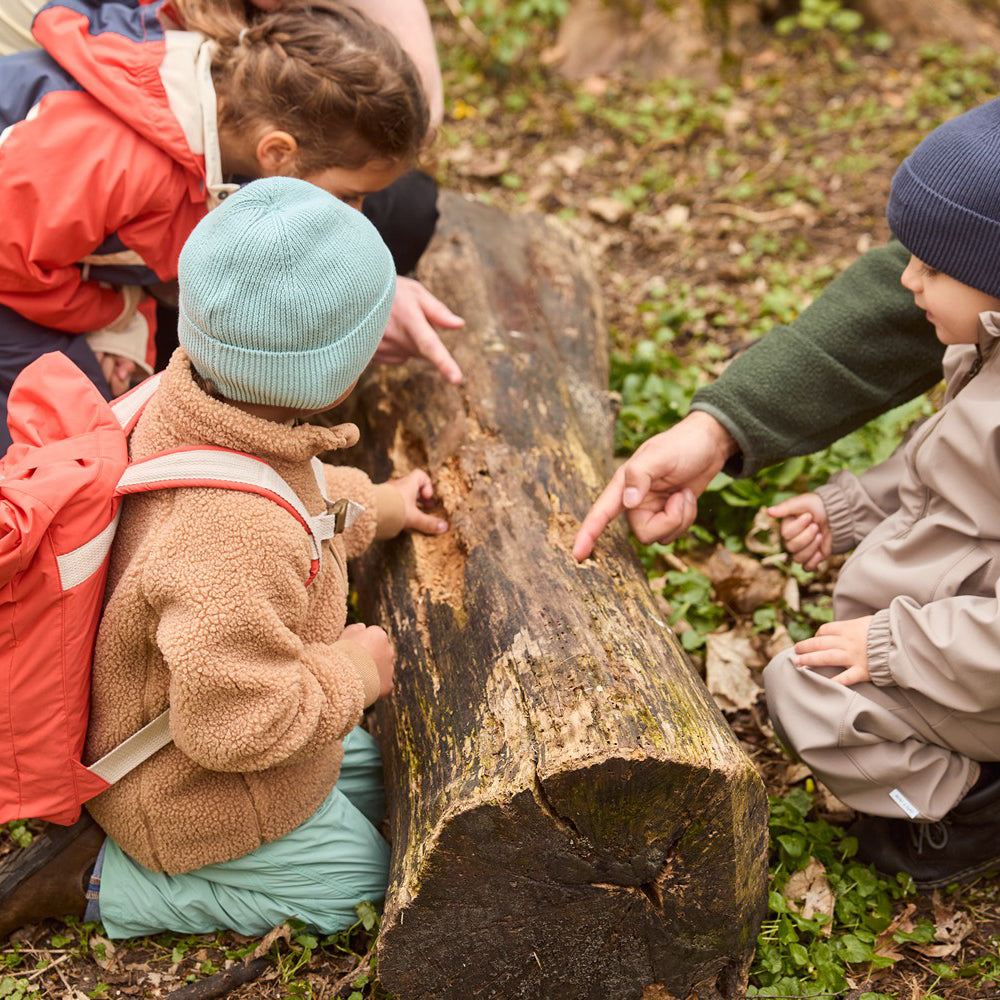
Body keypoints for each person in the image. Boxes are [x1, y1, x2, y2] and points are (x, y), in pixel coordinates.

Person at [0, 176, 449, 939]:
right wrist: (353, 672)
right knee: (366, 885)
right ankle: (96, 880)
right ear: (332, 369)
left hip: (208, 730)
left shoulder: (194, 403)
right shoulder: (230, 541)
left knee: (389, 776)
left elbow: (291, 490)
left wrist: (385, 503)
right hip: (188, 792)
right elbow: (232, 728)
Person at [0, 0, 459, 455]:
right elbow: (11, 263)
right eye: (346, 196)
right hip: (12, 273)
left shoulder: (227, 114)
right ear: (277, 154)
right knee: (84, 440)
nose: (355, 214)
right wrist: (114, 319)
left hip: (45, 251)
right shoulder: (122, 163)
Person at [762, 99, 1000, 889]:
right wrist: (846, 511)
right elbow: (936, 473)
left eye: (933, 267)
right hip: (951, 648)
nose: (907, 280)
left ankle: (963, 809)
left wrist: (894, 647)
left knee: (804, 693)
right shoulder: (984, 357)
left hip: (970, 658)